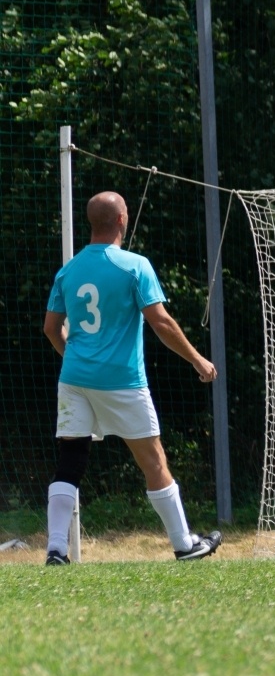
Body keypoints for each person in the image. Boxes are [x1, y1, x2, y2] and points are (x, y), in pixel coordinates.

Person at [41, 191, 223, 564]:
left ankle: (56, 550)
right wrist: (197, 359)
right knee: (153, 461)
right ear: (122, 220)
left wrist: (75, 358)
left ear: (92, 223)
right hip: (122, 382)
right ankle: (184, 545)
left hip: (74, 378)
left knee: (71, 460)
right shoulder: (135, 265)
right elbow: (161, 322)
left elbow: (50, 328)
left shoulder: (69, 270)